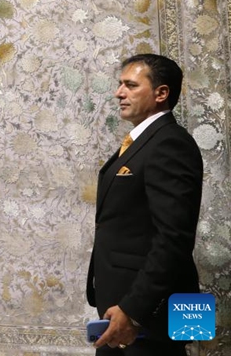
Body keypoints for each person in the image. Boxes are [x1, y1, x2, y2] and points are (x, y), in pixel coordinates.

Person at [86, 54, 203, 355]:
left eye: (130, 85)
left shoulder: (169, 143)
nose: (118, 93)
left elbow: (174, 238)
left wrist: (133, 309)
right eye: (119, 84)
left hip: (146, 313)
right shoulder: (143, 141)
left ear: (161, 93)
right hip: (123, 307)